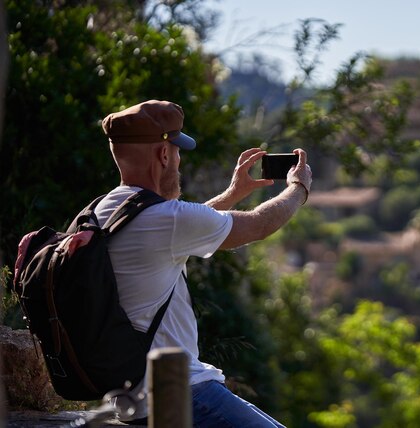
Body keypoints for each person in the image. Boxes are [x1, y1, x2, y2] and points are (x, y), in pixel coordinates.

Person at [96, 99, 312, 427]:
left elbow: (178, 229)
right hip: (181, 393)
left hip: (127, 396)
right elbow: (258, 225)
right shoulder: (164, 219)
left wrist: (232, 194)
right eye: (178, 152)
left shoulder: (105, 211)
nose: (179, 162)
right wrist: (298, 187)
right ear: (164, 155)